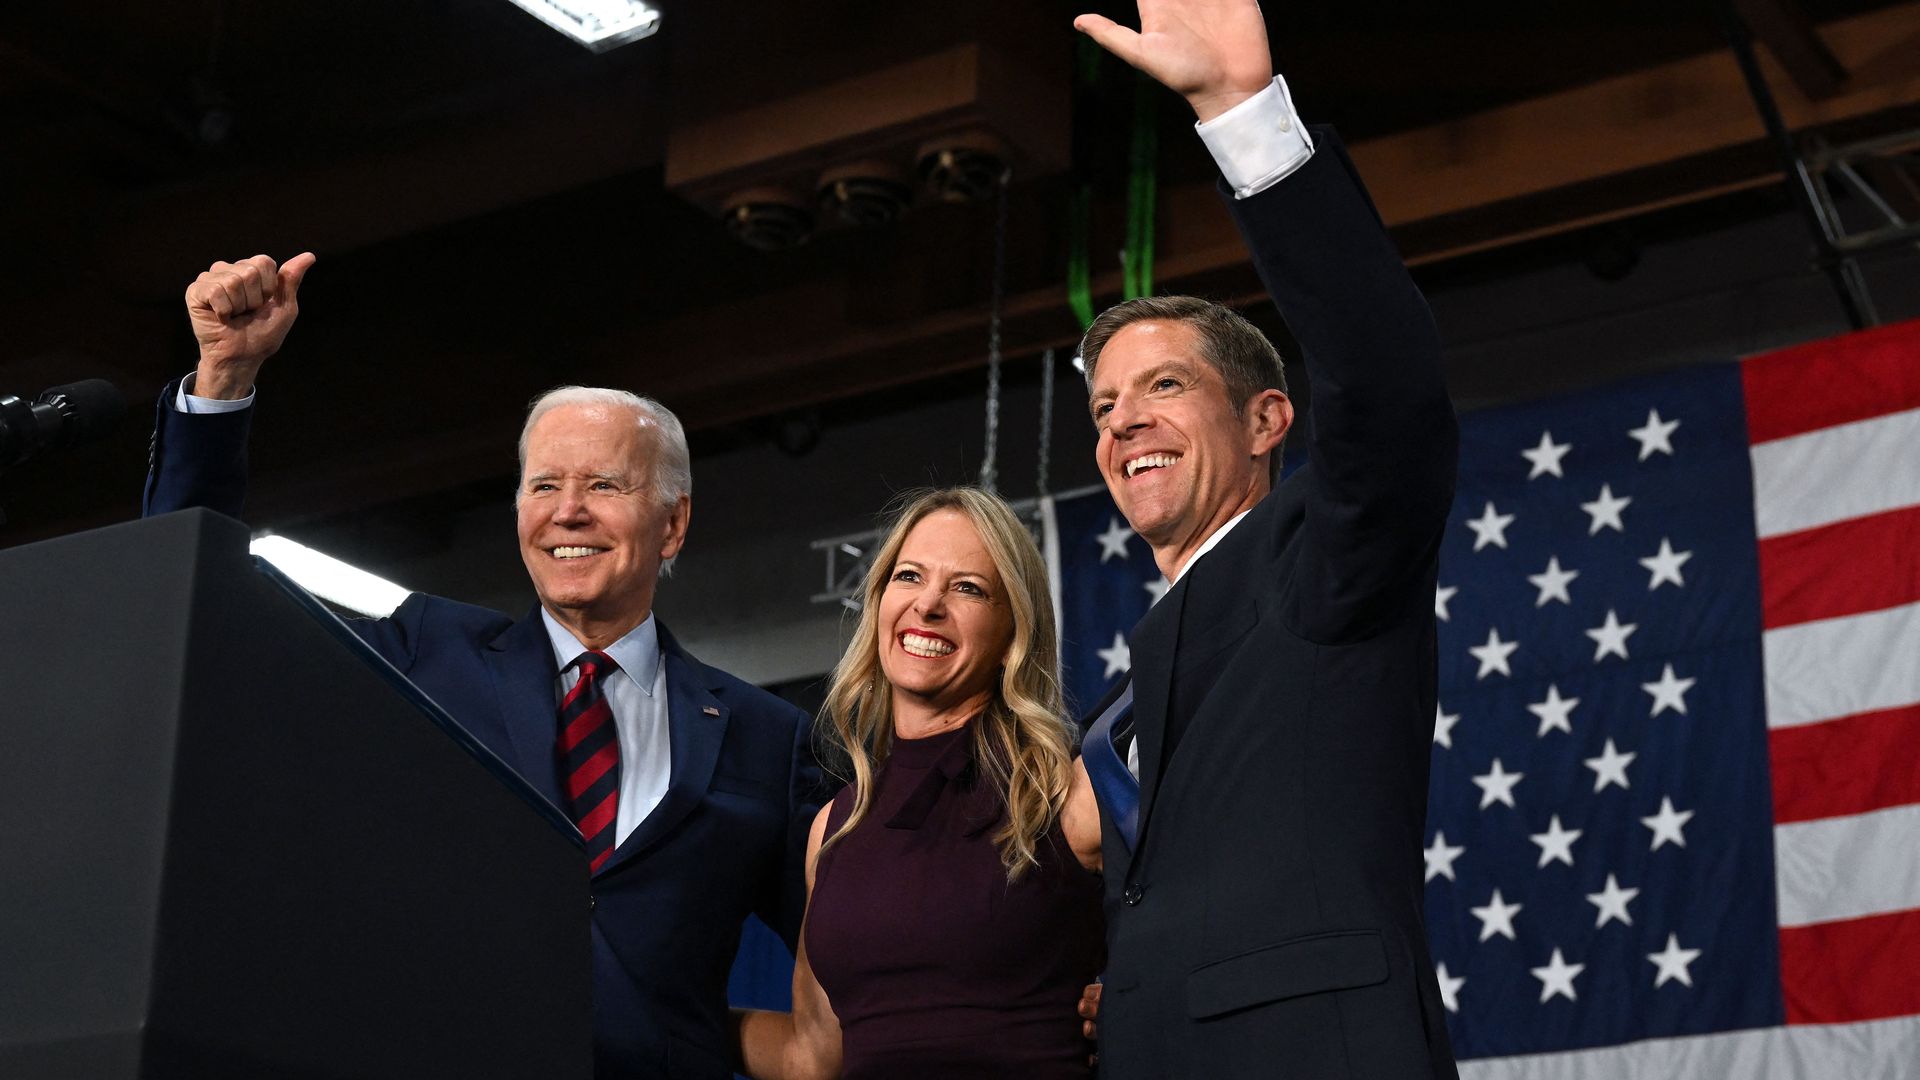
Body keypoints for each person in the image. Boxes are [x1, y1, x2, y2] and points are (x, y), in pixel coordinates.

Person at [144, 253, 822, 1080]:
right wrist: (224, 377)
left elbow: (862, 959)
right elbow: (197, 602)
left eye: (603, 483)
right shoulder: (422, 651)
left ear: (673, 525)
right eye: (544, 485)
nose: (567, 510)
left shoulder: (770, 739)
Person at [1070, 1, 1462, 1077]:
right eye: (1104, 408)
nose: (1125, 424)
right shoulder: (1124, 689)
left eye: (1164, 387)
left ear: (1266, 420)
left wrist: (1242, 112)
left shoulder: (1322, 563)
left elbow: (1389, 385)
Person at [731, 488, 1107, 1079]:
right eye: (909, 576)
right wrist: (665, 1015)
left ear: (1013, 629)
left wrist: (1138, 1001)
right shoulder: (833, 826)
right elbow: (814, 1057)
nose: (928, 605)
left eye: (967, 588)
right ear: (879, 601)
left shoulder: (1066, 793)